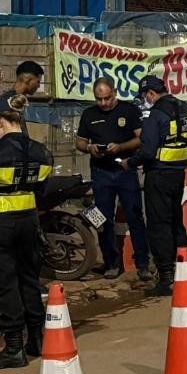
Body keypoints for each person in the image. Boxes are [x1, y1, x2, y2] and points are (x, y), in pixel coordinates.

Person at [0, 95, 52, 369]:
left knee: (5, 284)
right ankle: (37, 340)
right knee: (29, 279)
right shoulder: (41, 151)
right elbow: (42, 190)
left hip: (0, 225)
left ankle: (14, 347)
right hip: (29, 223)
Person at [124, 76, 187, 296]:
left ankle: (166, 278)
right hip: (178, 173)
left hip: (158, 174)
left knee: (158, 227)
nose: (145, 101)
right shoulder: (185, 108)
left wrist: (130, 162)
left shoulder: (155, 115)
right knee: (176, 223)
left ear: (150, 93)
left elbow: (147, 152)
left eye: (144, 96)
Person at [75, 77, 152, 281]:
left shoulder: (129, 110)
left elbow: (141, 138)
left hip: (125, 170)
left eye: (107, 98)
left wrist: (121, 147)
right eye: (99, 99)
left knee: (135, 217)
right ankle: (110, 262)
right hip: (101, 173)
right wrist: (89, 147)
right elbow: (80, 142)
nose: (103, 103)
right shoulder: (89, 114)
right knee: (102, 220)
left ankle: (143, 263)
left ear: (115, 92)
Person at [0, 61, 44, 136]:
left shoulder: (14, 100)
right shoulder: (8, 102)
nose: (38, 86)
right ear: (28, 80)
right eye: (38, 82)